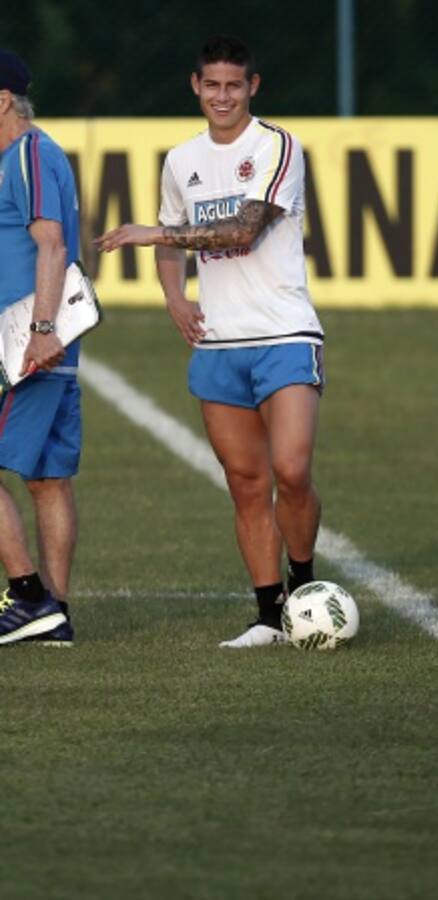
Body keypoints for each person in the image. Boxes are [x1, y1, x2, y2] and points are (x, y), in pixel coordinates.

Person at [96, 35, 322, 648]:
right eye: (212, 85)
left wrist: (150, 234)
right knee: (247, 484)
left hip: (283, 332)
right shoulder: (181, 160)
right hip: (217, 342)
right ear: (196, 86)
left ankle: (306, 589)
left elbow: (246, 230)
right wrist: (175, 297)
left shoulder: (277, 146)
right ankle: (268, 615)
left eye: (234, 85)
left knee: (292, 469)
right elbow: (173, 238)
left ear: (253, 87)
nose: (223, 96)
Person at [0, 50, 81, 647]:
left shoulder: (27, 154)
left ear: (3, 99)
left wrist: (43, 331)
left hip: (27, 341)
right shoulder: (24, 155)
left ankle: (27, 596)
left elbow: (51, 246)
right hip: (41, 341)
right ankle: (53, 613)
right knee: (48, 479)